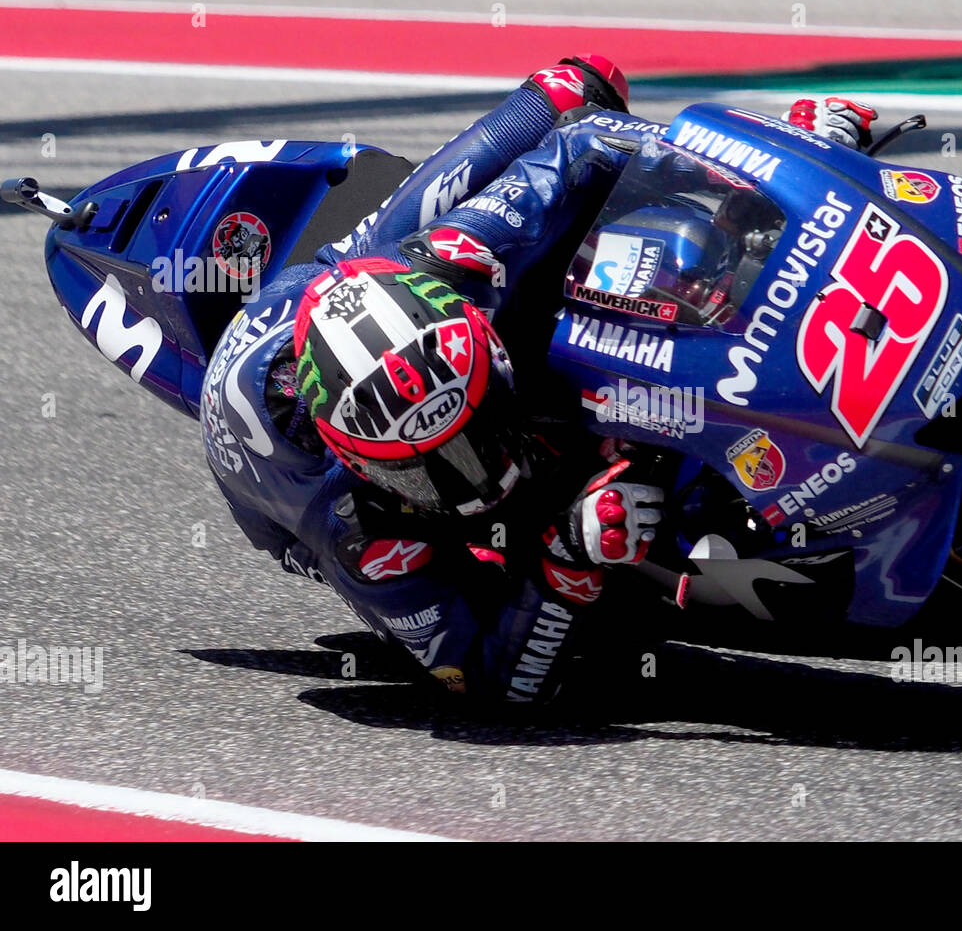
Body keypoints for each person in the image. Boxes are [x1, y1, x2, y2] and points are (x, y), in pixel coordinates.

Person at [200, 54, 875, 705]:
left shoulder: (452, 260)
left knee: (577, 87)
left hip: (355, 277)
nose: (483, 474)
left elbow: (586, 145)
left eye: (476, 433)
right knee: (601, 606)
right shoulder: (358, 531)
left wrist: (759, 178)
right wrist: (570, 559)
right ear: (360, 461)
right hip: (278, 497)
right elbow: (492, 684)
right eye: (427, 470)